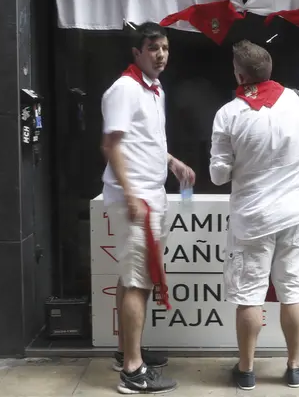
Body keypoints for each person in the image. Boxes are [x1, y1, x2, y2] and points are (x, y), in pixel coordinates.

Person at [209, 40, 299, 390]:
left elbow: (218, 175)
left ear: (239, 74)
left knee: (249, 295)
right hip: (293, 214)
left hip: (251, 220)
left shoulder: (229, 113)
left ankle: (246, 370)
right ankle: (294, 367)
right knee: (293, 291)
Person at [101, 21, 195, 394]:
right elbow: (111, 145)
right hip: (136, 197)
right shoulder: (124, 89)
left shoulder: (153, 87)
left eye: (165, 48)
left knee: (131, 277)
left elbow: (144, 140)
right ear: (136, 53)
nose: (161, 55)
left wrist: (171, 162)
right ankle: (132, 371)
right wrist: (129, 195)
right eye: (153, 48)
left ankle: (128, 350)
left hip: (149, 191)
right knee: (139, 282)